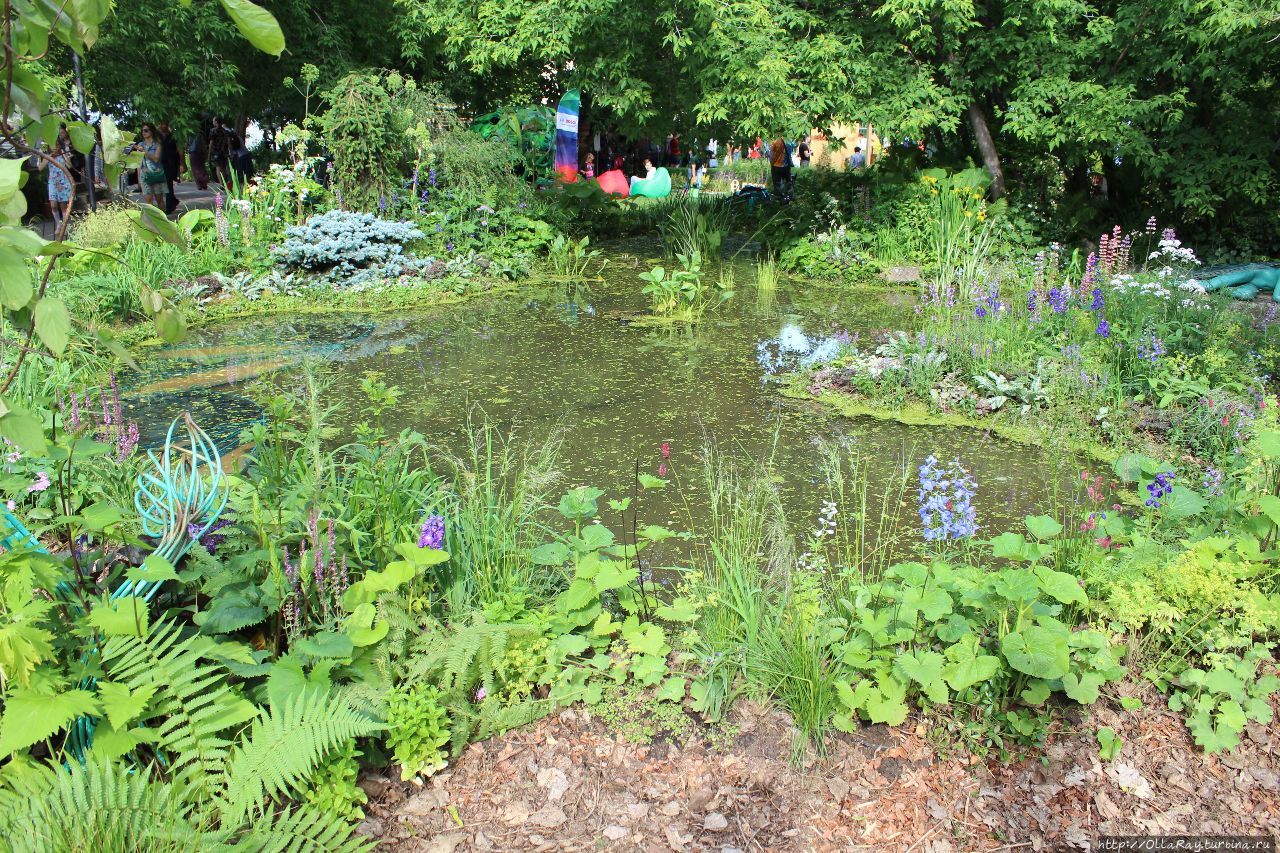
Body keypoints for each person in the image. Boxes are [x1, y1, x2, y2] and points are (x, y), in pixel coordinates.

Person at [45, 126, 74, 234]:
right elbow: (40, 168)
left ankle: (64, 225)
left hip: (63, 182)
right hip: (53, 182)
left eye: (56, 145)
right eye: (52, 145)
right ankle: (58, 223)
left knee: (63, 205)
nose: (54, 147)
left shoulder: (62, 153)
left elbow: (69, 166)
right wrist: (48, 156)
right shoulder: (47, 156)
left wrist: (67, 157)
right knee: (53, 204)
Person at [135, 123, 167, 207]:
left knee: (159, 199)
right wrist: (138, 180)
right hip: (144, 175)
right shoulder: (140, 145)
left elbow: (156, 159)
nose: (143, 132)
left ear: (151, 131)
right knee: (148, 201)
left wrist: (144, 151)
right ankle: (151, 220)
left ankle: (161, 219)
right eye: (142, 131)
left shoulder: (157, 144)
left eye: (146, 130)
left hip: (157, 173)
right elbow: (138, 163)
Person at [157, 121, 184, 213]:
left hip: (171, 163)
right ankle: (173, 201)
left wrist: (182, 164)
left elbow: (180, 150)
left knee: (168, 183)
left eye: (163, 123)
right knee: (164, 184)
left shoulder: (173, 136)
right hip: (160, 163)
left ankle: (169, 207)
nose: (161, 125)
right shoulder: (157, 137)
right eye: (160, 124)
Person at [208, 117, 231, 185]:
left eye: (213, 121)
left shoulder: (213, 131)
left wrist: (208, 154)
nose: (213, 122)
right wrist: (231, 152)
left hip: (215, 152)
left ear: (216, 122)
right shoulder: (225, 131)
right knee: (223, 168)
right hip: (224, 152)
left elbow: (211, 143)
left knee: (218, 168)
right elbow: (229, 143)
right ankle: (225, 182)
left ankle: (221, 184)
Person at [188, 123, 209, 191]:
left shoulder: (189, 133)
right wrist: (205, 153)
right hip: (200, 153)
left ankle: (199, 184)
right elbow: (203, 145)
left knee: (195, 169)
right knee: (201, 167)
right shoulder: (200, 134)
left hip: (193, 152)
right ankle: (204, 183)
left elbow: (187, 144)